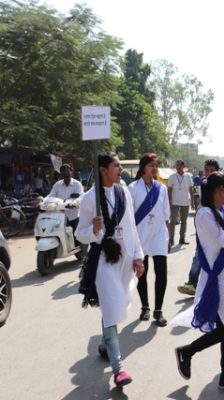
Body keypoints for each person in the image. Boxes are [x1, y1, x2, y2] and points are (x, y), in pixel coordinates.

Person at [172, 171, 224, 390]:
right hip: (216, 279)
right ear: (220, 191)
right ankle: (187, 351)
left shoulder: (223, 210)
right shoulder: (204, 215)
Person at [76, 152, 144, 387]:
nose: (120, 169)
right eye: (116, 166)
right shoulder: (89, 199)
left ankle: (106, 343)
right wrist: (94, 230)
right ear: (103, 169)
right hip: (104, 262)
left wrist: (138, 256)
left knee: (112, 307)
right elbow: (80, 235)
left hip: (124, 261)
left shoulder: (123, 192)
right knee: (112, 306)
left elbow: (132, 227)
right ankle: (118, 368)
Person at [128, 153, 170, 326]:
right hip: (140, 235)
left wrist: (170, 236)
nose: (154, 168)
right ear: (143, 168)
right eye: (151, 165)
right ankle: (145, 306)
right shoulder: (132, 188)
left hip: (159, 234)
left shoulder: (162, 188)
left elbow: (166, 214)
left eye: (156, 165)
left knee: (162, 272)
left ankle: (158, 311)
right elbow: (128, 216)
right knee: (141, 273)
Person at [178, 159, 221, 296]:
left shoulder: (221, 186)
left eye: (211, 170)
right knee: (199, 253)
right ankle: (192, 282)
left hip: (217, 226)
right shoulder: (203, 184)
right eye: (206, 170)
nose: (208, 173)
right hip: (203, 225)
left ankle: (210, 285)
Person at [48, 164, 84, 235]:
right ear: (61, 174)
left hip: (75, 215)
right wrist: (44, 201)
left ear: (71, 172)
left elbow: (81, 197)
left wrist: (74, 203)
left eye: (67, 172)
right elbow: (51, 196)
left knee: (79, 236)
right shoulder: (57, 185)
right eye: (63, 173)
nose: (66, 174)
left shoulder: (77, 184)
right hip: (61, 216)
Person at [168, 160, 195, 246]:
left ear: (183, 166)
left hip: (185, 201)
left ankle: (182, 239)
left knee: (184, 221)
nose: (177, 167)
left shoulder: (188, 176)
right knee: (172, 221)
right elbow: (169, 189)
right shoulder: (172, 176)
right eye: (176, 166)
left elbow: (191, 189)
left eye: (179, 166)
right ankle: (171, 239)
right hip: (174, 202)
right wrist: (170, 200)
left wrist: (192, 201)